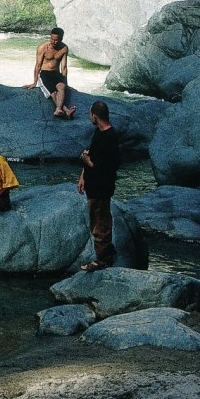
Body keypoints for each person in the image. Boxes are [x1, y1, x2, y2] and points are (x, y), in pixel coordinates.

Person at [77, 101, 120, 271]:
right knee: (96, 220)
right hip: (93, 186)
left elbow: (107, 165)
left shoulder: (110, 137)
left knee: (101, 223)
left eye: (90, 114)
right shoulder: (99, 133)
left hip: (102, 187)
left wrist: (87, 161)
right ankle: (104, 254)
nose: (90, 117)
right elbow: (91, 155)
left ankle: (102, 259)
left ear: (95, 115)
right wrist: (83, 176)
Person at [23, 27, 76, 118]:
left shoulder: (64, 48)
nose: (53, 41)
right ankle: (64, 110)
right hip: (44, 74)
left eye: (56, 40)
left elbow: (63, 67)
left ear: (61, 39)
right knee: (53, 92)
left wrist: (66, 83)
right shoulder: (43, 47)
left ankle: (59, 109)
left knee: (61, 87)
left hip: (56, 73)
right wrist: (34, 82)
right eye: (52, 39)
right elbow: (38, 65)